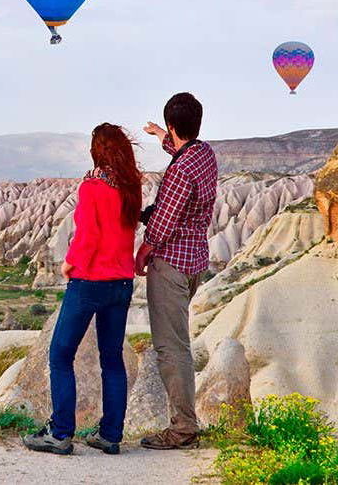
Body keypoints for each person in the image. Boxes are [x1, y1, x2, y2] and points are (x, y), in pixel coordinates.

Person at [23, 123, 143, 455]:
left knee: (60, 354)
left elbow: (87, 235)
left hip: (89, 281)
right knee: (112, 359)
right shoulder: (131, 187)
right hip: (121, 282)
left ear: (96, 151)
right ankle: (110, 435)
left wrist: (69, 263)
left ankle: (60, 433)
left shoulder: (92, 187)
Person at [136, 93, 217, 450]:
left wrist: (143, 248)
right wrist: (160, 136)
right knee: (178, 343)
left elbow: (164, 221)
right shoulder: (204, 155)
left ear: (173, 125)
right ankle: (185, 422)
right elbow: (182, 151)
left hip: (170, 265)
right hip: (195, 261)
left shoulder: (180, 171)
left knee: (172, 348)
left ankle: (183, 428)